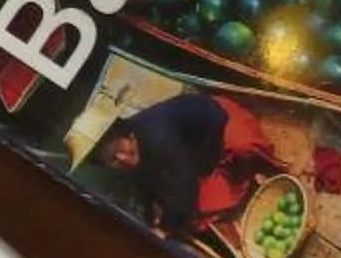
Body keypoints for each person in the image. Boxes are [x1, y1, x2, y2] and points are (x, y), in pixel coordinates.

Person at [95, 89, 279, 238]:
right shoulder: (134, 154)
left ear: (129, 135)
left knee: (245, 149)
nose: (123, 158)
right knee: (191, 216)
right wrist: (151, 214)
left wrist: (164, 229)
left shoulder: (158, 137)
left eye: (120, 148)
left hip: (221, 121)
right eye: (113, 159)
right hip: (199, 152)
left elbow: (185, 185)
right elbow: (147, 186)